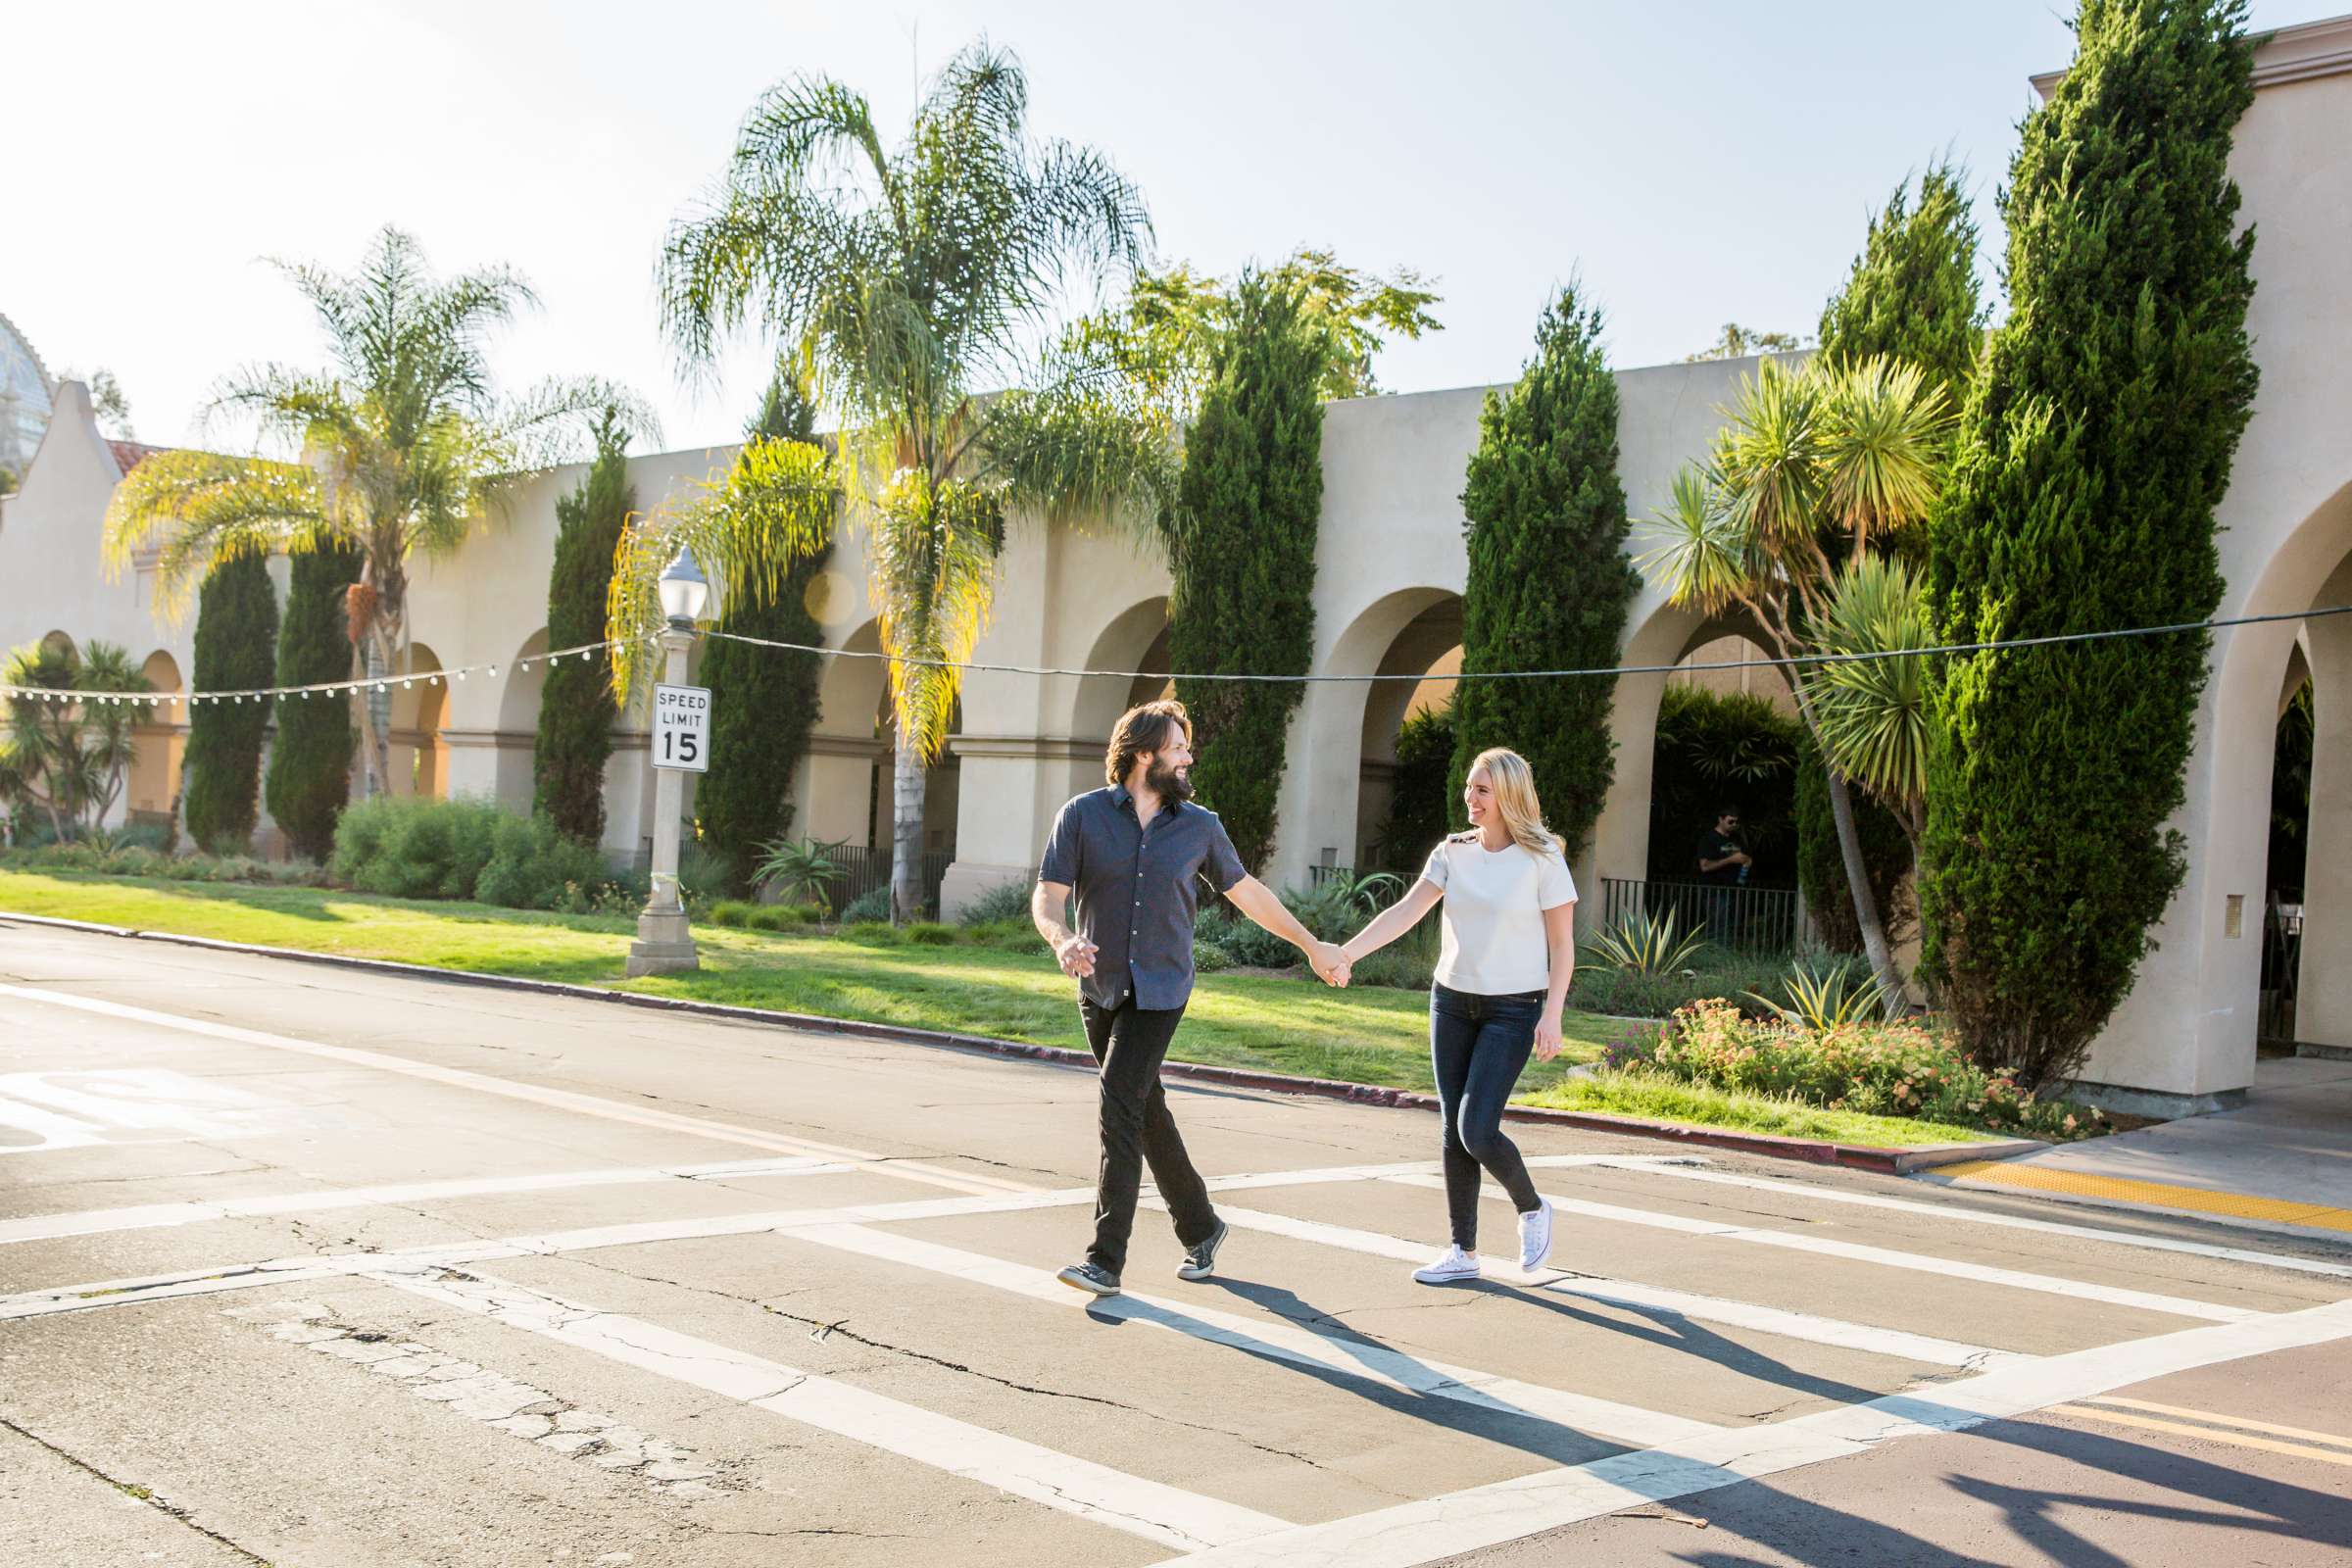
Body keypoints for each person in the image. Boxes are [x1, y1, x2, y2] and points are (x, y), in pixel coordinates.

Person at [1033, 699, 1349, 1299]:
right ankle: (1202, 1228)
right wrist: (1062, 938)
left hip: (1162, 989)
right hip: (1099, 987)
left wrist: (1311, 944)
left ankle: (1105, 1259)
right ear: (1143, 754)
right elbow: (1047, 897)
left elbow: (1247, 892)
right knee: (1144, 1111)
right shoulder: (1083, 815)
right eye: (1178, 748)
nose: (1188, 757)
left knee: (1117, 1104)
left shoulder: (1200, 825)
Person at [1333, 747, 1578, 1284]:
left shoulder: (1542, 858)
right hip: (1451, 1001)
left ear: (1509, 795)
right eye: (1470, 787)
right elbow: (1405, 911)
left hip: (1513, 1009)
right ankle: (1462, 1252)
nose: (1471, 797)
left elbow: (1563, 947)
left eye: (1482, 790)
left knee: (1477, 1129)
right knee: (1452, 1129)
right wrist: (1348, 953)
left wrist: (1553, 1015)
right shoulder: (1453, 852)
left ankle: (1532, 1208)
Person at [1695, 806, 1751, 945]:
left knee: (1731, 927)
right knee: (1717, 927)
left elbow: (1744, 858)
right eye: (1730, 822)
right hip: (1714, 891)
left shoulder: (1736, 839)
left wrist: (1746, 861)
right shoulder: (1709, 839)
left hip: (1734, 889)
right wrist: (1730, 860)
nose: (1734, 825)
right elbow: (1705, 866)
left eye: (1736, 822)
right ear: (1720, 819)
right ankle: (1714, 956)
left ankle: (1726, 957)